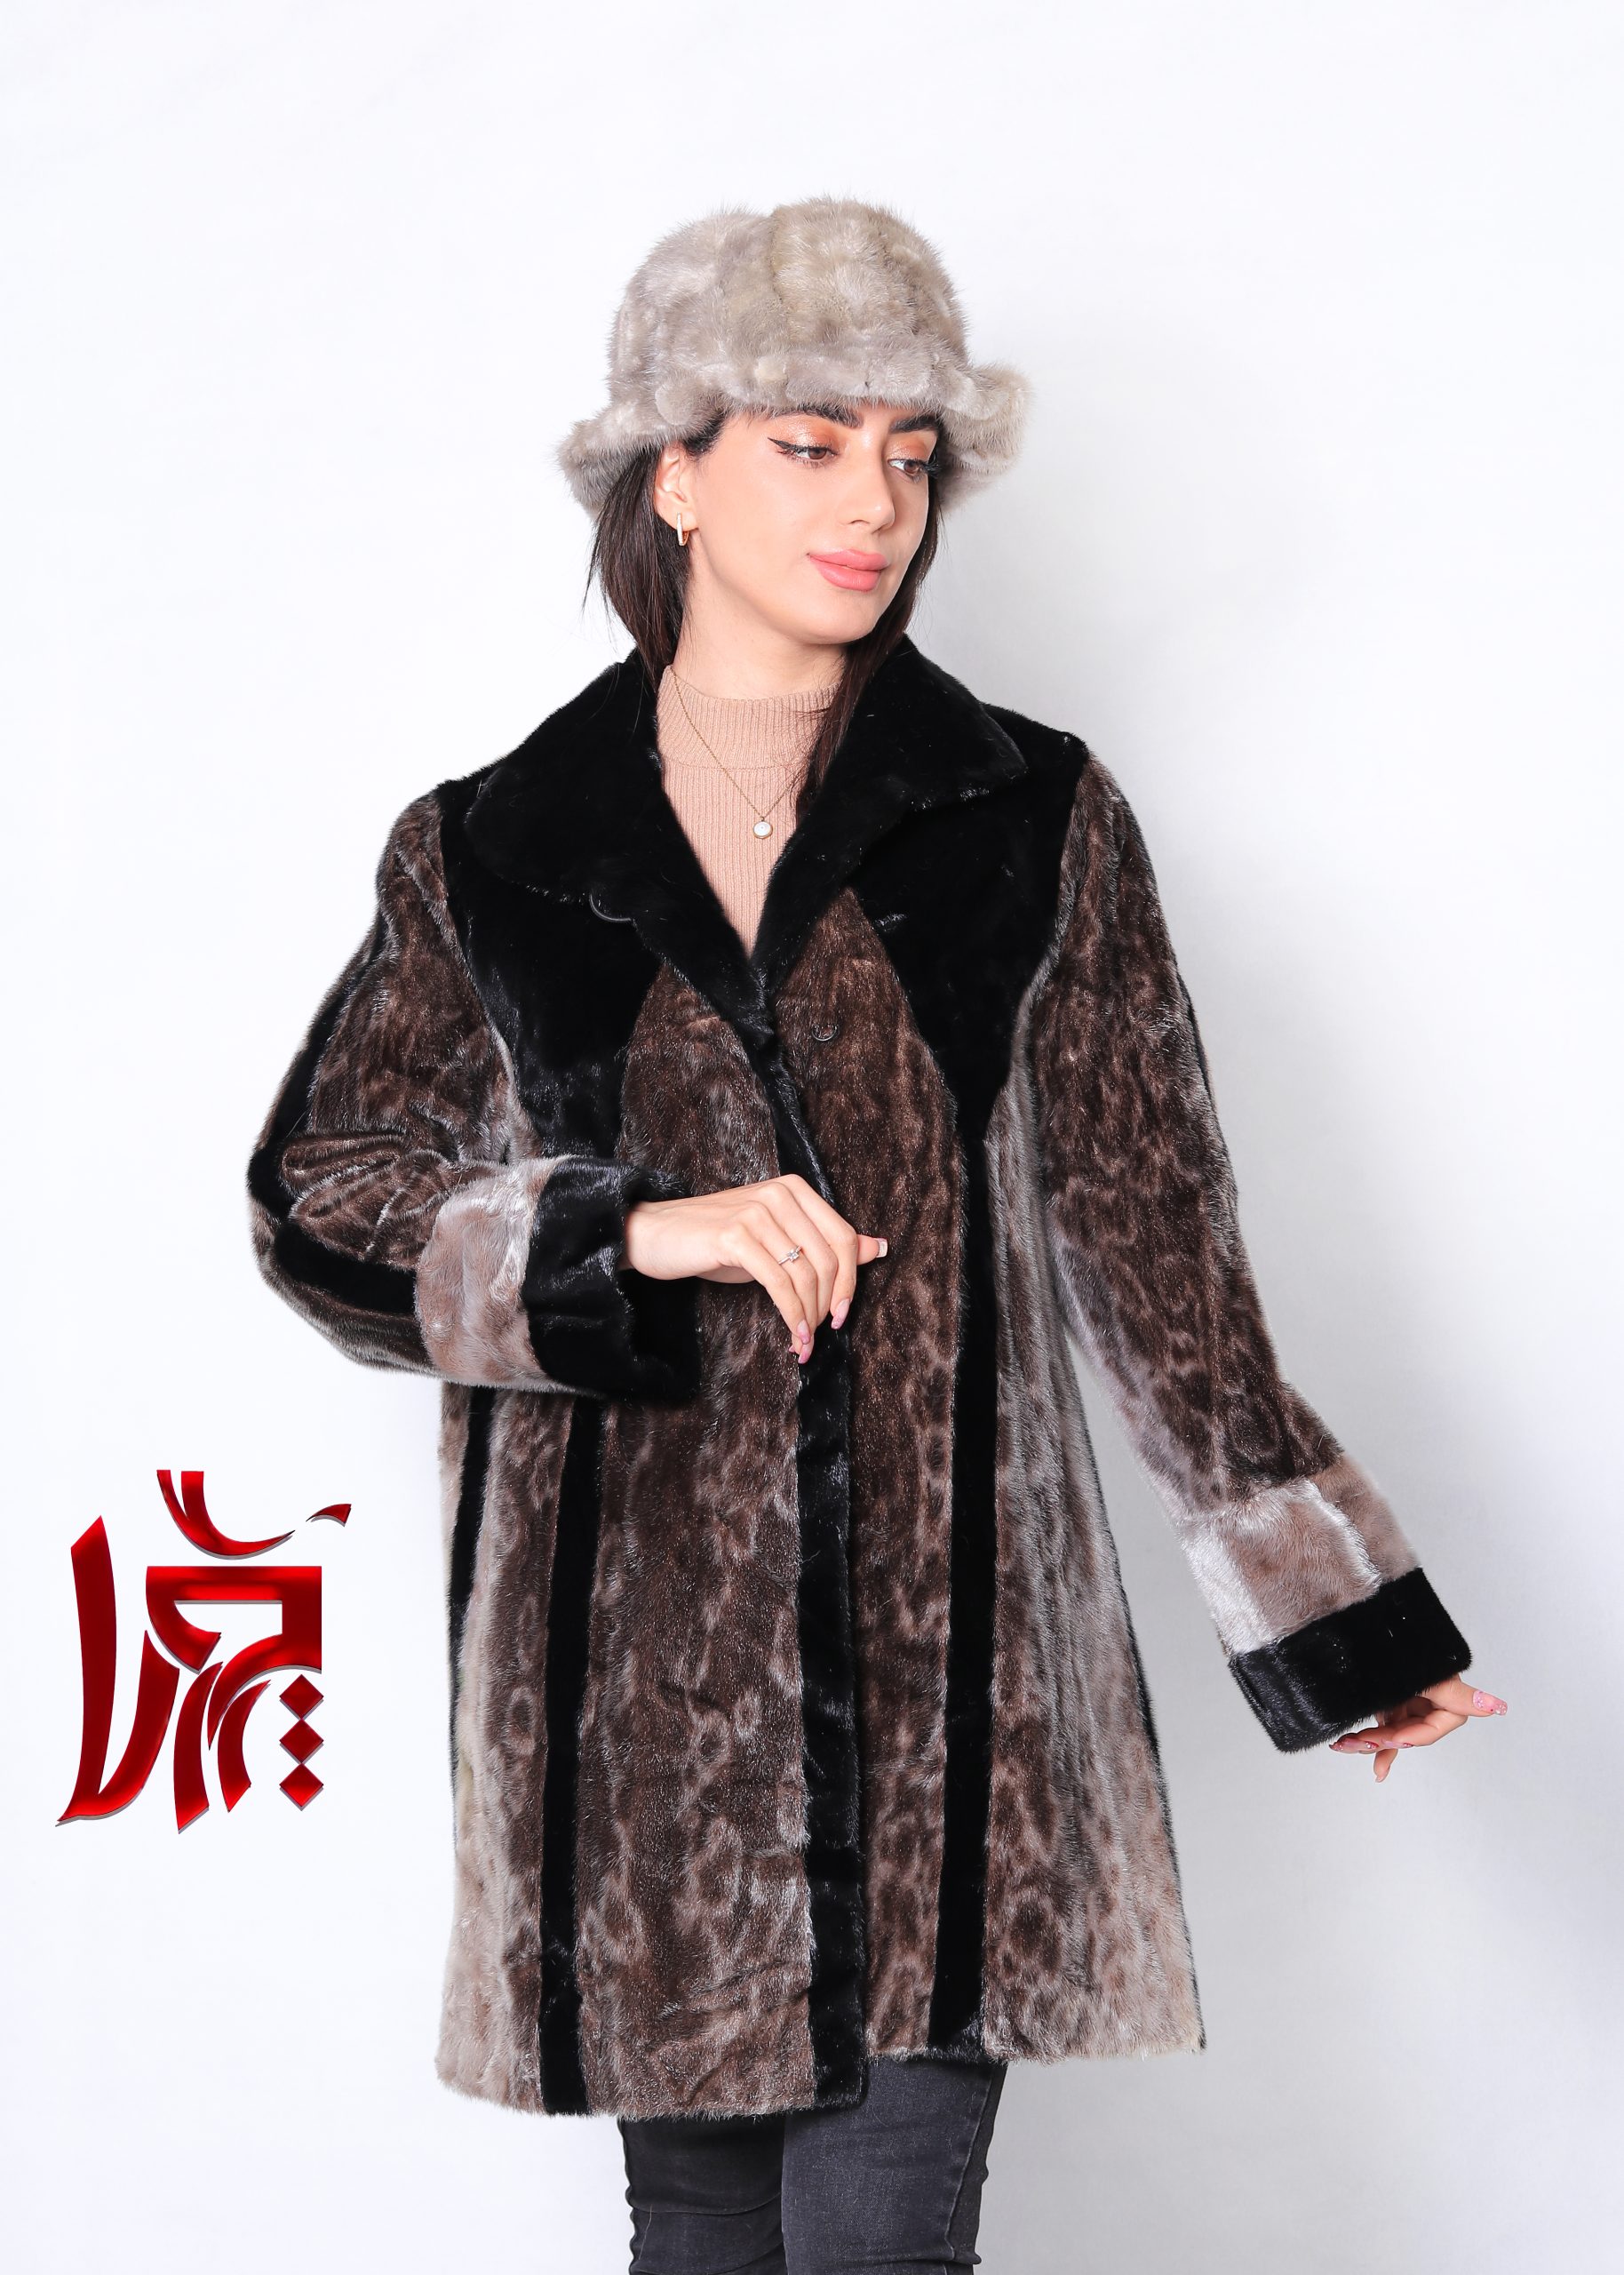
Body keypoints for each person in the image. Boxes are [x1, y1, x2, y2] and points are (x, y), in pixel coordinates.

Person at [247, 196, 1506, 2275]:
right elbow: (319, 1200)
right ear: (671, 471)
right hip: (628, 1694)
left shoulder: (1024, 816)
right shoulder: (494, 844)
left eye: (910, 452)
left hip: (944, 1672)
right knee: (698, 2239)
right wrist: (626, 1235)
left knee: (878, 2237)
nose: (872, 502)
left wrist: (1345, 1634)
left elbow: (1157, 1253)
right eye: (807, 442)